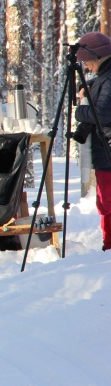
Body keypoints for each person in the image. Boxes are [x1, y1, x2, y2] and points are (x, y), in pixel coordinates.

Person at [73, 32, 111, 250]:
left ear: (99, 57)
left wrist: (80, 111)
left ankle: (109, 244)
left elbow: (103, 113)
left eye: (87, 61)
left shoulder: (108, 78)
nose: (86, 66)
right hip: (105, 149)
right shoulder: (104, 77)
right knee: (105, 201)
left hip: (108, 150)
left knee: (107, 201)